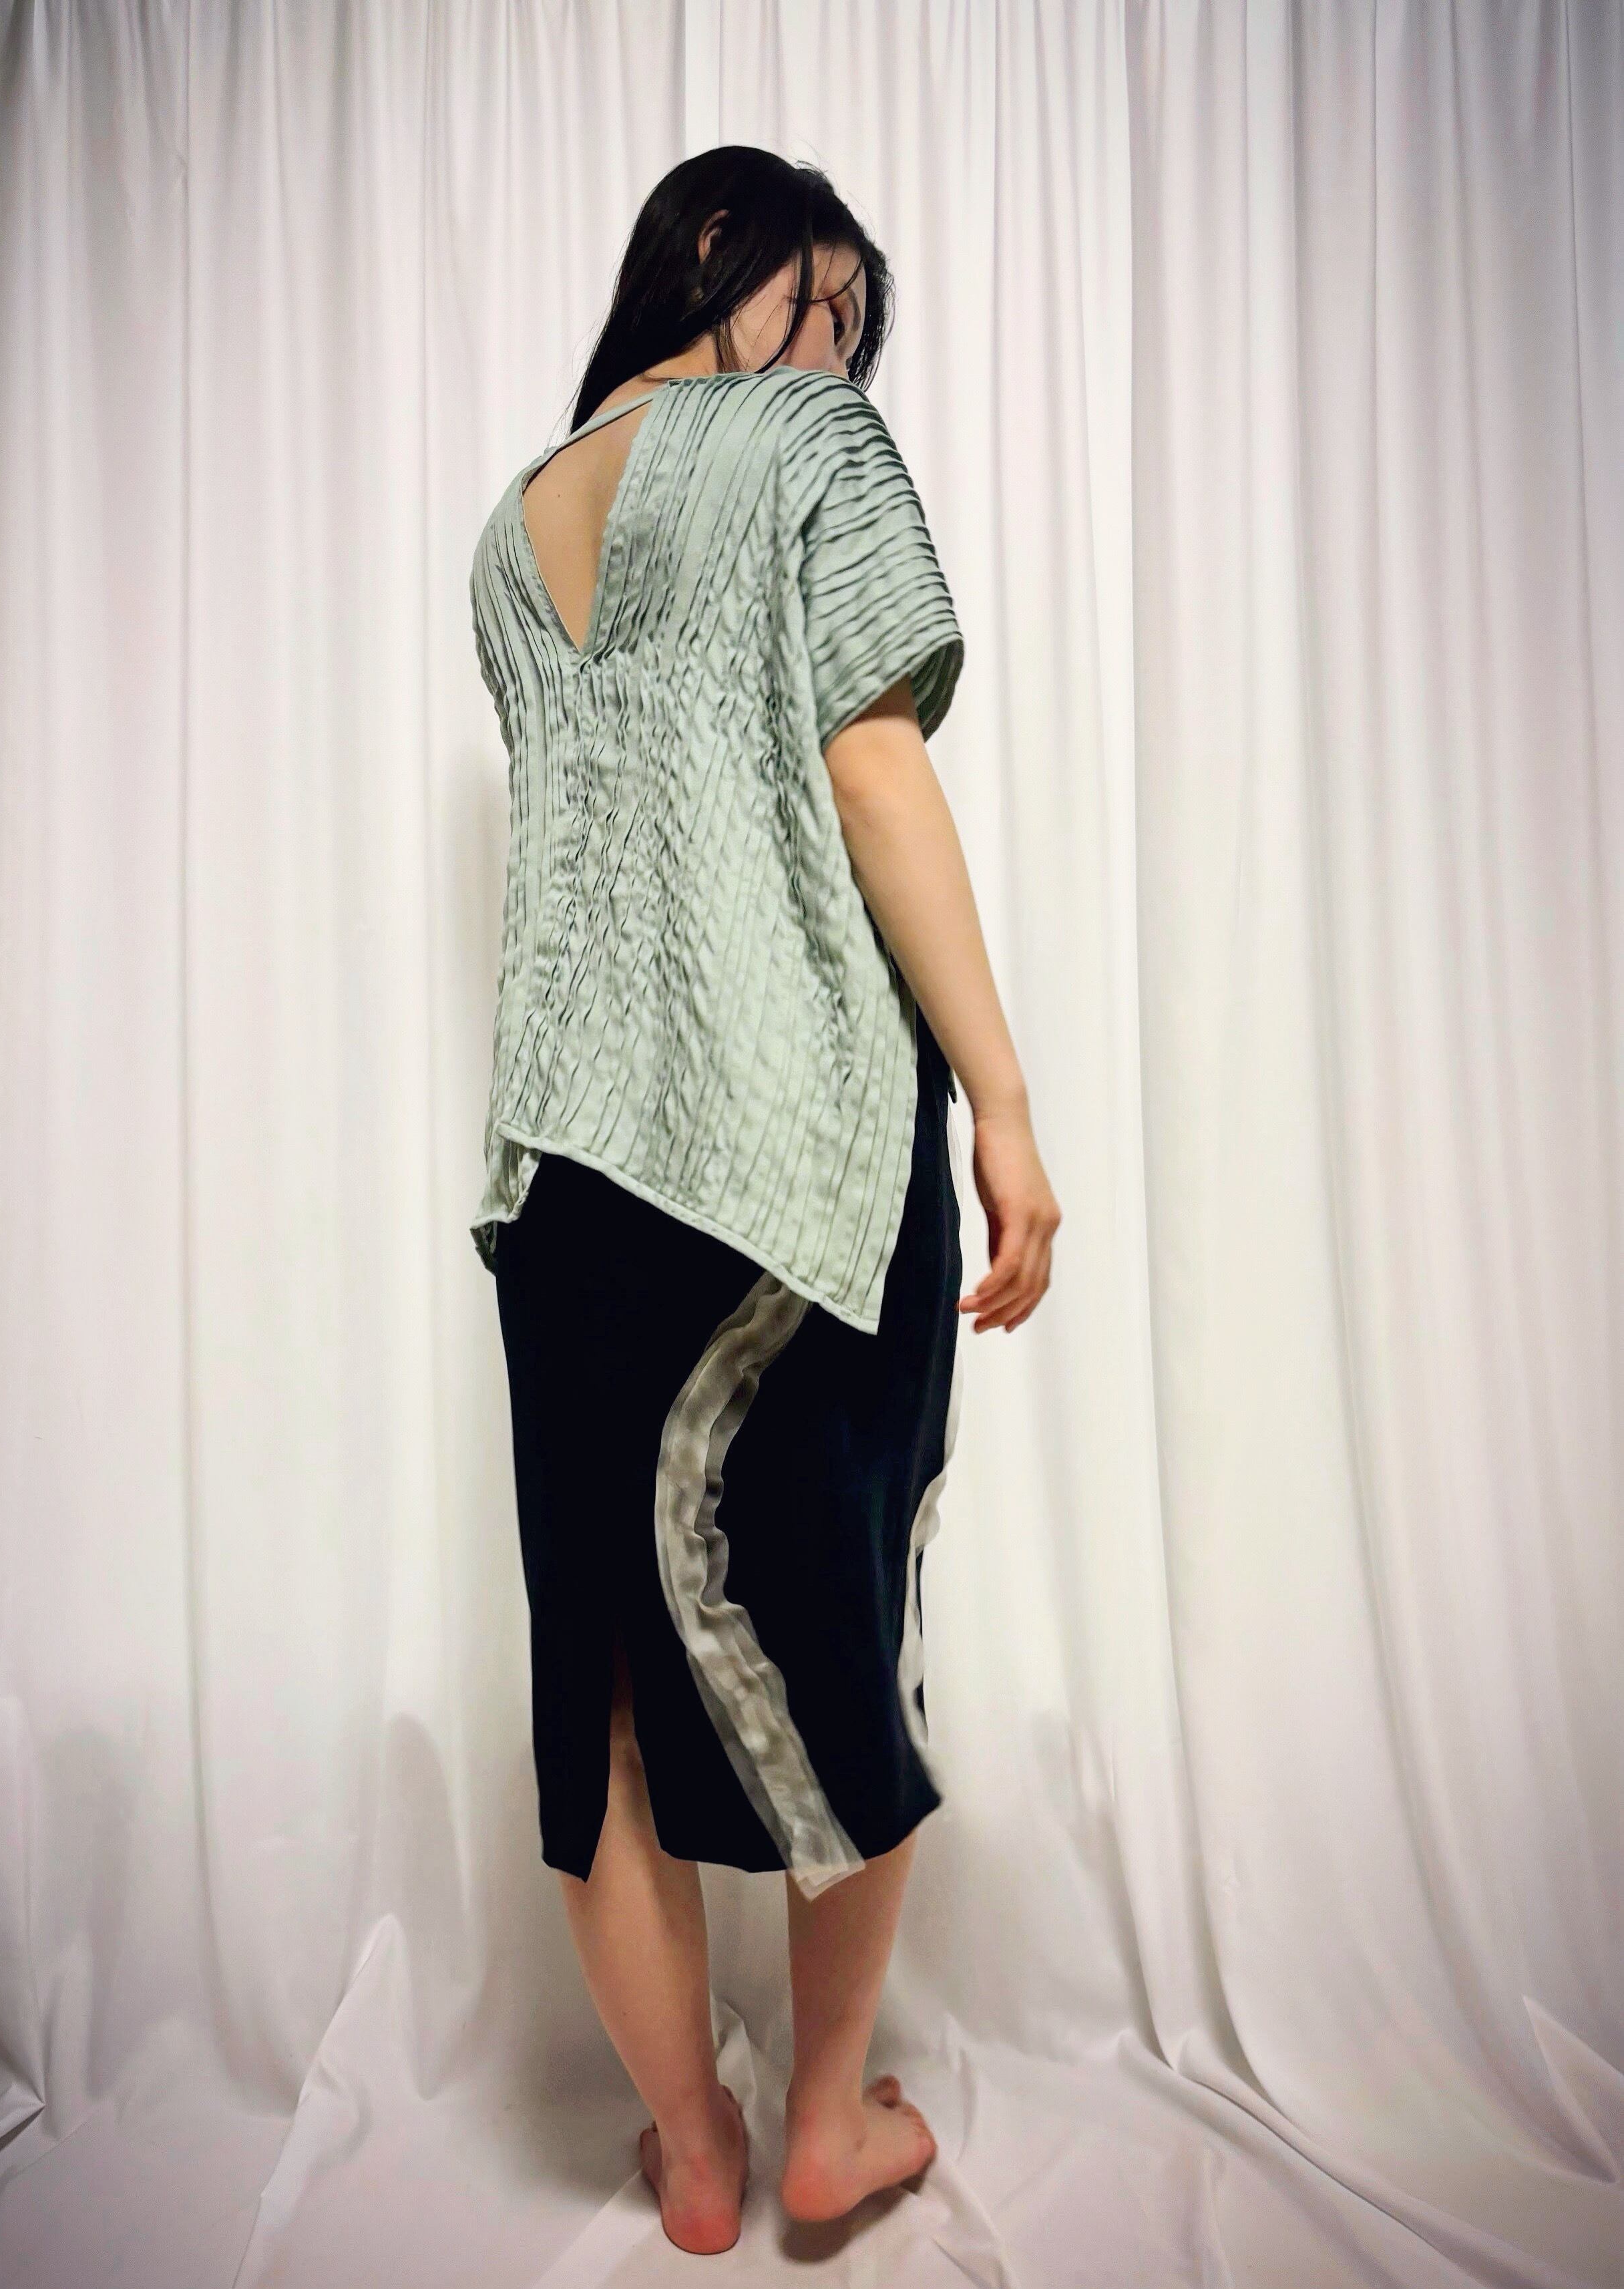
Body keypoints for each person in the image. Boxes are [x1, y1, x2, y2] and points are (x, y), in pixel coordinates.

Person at [467, 145, 1060, 2254]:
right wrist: (1004, 1104)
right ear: (721, 258)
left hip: (562, 1175)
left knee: (610, 1701)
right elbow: (870, 767)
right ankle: (821, 2124)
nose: (843, 360)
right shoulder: (806, 440)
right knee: (841, 1637)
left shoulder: (508, 531)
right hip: (788, 1162)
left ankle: (693, 2157)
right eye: (829, 310)